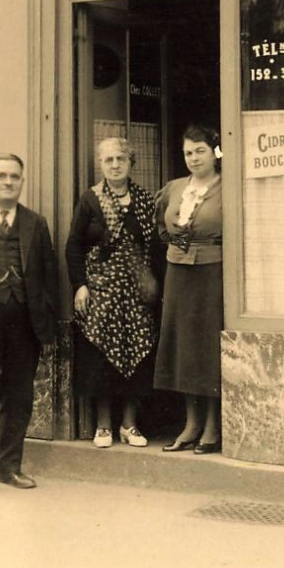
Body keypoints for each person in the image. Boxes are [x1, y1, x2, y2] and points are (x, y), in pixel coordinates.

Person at [0, 153, 58, 500]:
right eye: (2, 176)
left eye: (15, 177)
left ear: (22, 181)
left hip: (25, 320)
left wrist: (47, 328)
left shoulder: (36, 222)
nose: (9, 182)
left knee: (19, 398)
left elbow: (49, 277)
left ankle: (9, 468)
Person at [66, 137, 161, 448]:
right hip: (101, 291)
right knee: (101, 356)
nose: (115, 165)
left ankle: (129, 425)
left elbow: (155, 248)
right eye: (109, 160)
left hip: (136, 295)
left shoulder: (146, 201)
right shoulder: (90, 201)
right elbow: (74, 246)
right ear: (101, 165)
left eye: (121, 159)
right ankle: (104, 425)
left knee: (139, 351)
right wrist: (80, 284)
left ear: (131, 162)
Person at [154, 123, 223, 454]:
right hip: (177, 273)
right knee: (183, 346)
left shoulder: (227, 186)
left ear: (214, 152)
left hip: (212, 273)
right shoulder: (175, 187)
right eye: (187, 152)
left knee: (206, 347)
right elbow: (159, 225)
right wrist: (175, 241)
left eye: (200, 151)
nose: (193, 158)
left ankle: (212, 426)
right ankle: (191, 424)